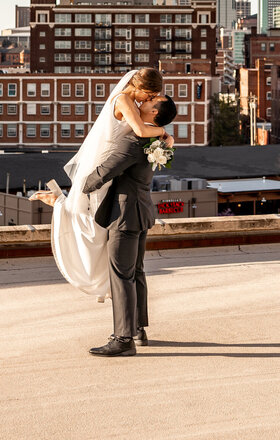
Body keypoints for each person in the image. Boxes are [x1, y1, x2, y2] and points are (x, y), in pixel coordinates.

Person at [30, 69, 172, 300]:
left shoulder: (134, 102)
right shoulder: (124, 99)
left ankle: (109, 275)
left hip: (114, 161)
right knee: (93, 220)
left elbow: (140, 130)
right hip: (103, 161)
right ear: (139, 86)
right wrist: (164, 133)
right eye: (150, 94)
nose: (149, 99)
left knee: (102, 221)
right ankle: (60, 206)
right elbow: (139, 130)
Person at [80, 93, 177, 357]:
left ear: (154, 112)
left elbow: (107, 170)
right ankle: (137, 330)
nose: (144, 101)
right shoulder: (157, 137)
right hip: (141, 210)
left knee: (122, 276)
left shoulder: (136, 141)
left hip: (124, 214)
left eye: (151, 100)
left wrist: (81, 188)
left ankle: (122, 339)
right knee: (136, 272)